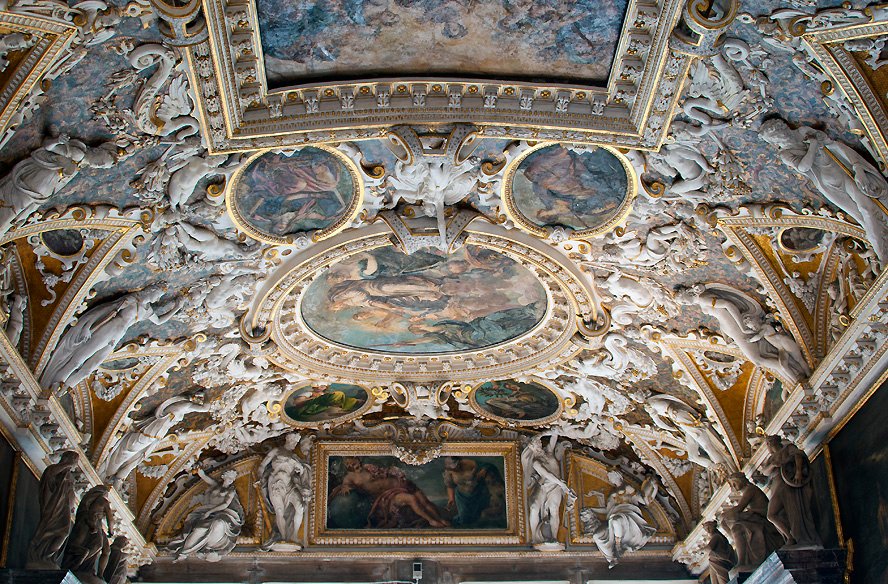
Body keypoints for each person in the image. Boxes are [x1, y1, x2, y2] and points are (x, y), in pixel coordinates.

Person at [330, 457, 449, 528]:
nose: (354, 464)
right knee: (412, 499)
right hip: (388, 496)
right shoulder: (350, 477)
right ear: (347, 465)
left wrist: (395, 473)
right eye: (350, 463)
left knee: (424, 501)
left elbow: (384, 472)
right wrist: (345, 487)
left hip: (402, 484)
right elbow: (345, 485)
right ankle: (431, 521)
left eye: (355, 461)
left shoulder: (368, 467)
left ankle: (439, 519)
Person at [167, 469, 244, 561]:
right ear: (223, 477)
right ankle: (184, 551)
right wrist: (199, 471)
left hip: (222, 512)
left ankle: (185, 552)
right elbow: (205, 477)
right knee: (196, 529)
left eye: (233, 478)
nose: (231, 480)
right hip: (205, 510)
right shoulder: (216, 485)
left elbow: (225, 504)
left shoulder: (231, 491)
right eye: (229, 477)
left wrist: (210, 512)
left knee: (208, 527)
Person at [764, 435, 822, 548]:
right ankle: (789, 537)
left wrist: (798, 472)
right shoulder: (771, 459)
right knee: (771, 515)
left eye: (769, 443)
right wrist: (773, 465)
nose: (768, 446)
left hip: (785, 484)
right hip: (775, 487)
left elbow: (798, 455)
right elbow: (765, 472)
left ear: (774, 442)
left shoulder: (788, 448)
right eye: (767, 443)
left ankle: (792, 538)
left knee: (780, 513)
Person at [27, 451, 79, 568]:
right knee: (52, 530)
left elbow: (70, 493)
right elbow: (49, 475)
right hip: (53, 506)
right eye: (75, 461)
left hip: (64, 508)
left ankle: (47, 557)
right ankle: (40, 555)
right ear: (68, 459)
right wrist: (67, 465)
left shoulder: (69, 476)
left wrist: (71, 507)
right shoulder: (54, 469)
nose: (76, 464)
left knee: (64, 533)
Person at [722, 473, 784, 568]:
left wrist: (724, 516)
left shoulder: (750, 489)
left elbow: (739, 508)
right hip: (758, 519)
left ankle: (742, 562)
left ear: (741, 480)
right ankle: (742, 561)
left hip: (764, 520)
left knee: (737, 529)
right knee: (736, 527)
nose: (733, 487)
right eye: (731, 485)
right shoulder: (747, 491)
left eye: (734, 483)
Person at [442, 457, 505, 527]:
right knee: (465, 518)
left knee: (482, 517)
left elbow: (488, 466)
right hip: (462, 497)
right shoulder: (449, 472)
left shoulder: (469, 463)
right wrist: (451, 498)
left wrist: (484, 470)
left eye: (456, 466)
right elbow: (450, 485)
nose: (455, 469)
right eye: (452, 468)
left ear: (458, 462)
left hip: (478, 493)